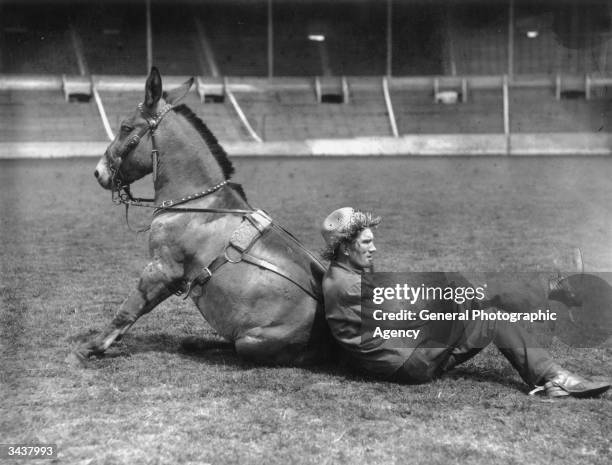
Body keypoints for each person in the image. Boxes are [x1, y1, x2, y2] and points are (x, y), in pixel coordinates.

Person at [320, 207, 611, 397]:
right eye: (366, 243)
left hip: (404, 355)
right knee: (475, 297)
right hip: (408, 362)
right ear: (345, 248)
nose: (375, 247)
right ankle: (548, 289)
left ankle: (553, 375)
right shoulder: (349, 285)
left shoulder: (342, 273)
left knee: (485, 312)